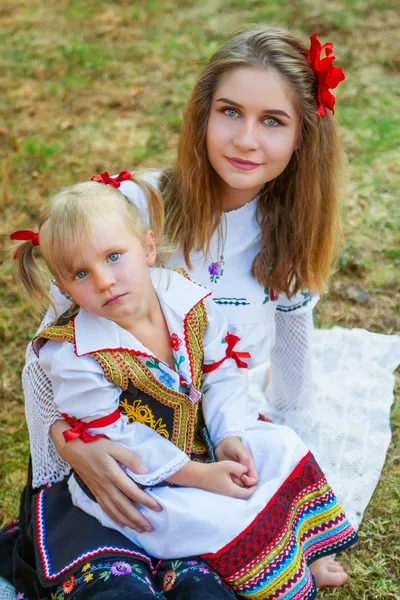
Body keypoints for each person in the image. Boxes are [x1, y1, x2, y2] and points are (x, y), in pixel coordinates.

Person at [8, 175, 356, 600]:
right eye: (82, 273)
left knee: (281, 446)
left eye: (114, 256)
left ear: (148, 248)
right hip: (138, 472)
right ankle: (265, 566)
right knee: (199, 515)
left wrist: (228, 435)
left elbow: (224, 368)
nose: (104, 281)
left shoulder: (184, 297)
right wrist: (198, 475)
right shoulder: (74, 354)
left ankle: (304, 547)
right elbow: (114, 436)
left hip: (202, 434)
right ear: (63, 289)